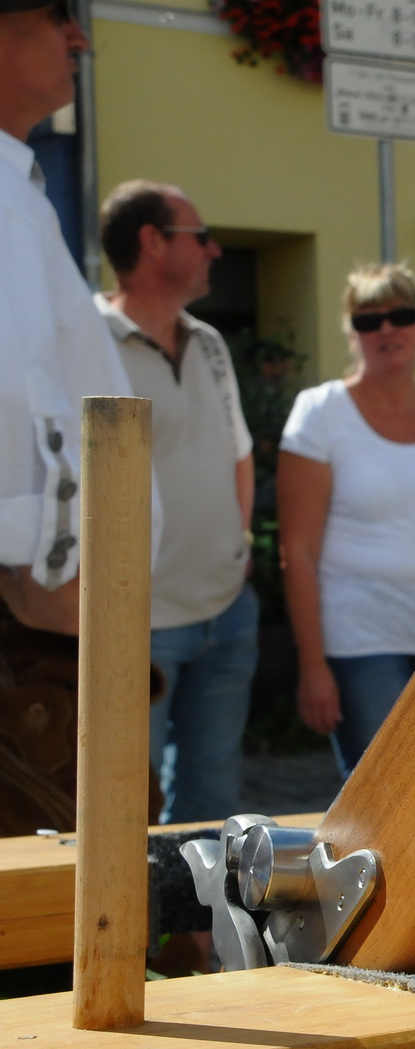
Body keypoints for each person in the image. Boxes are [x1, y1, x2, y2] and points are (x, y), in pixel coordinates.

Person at [0, 0, 154, 836]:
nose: (81, 34)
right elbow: (22, 405)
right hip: (34, 620)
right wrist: (59, 576)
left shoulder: (17, 182)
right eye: (57, 12)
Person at [278, 264, 415, 776]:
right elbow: (297, 551)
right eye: (369, 321)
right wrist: (313, 666)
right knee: (384, 791)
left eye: (401, 315)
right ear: (352, 333)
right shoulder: (320, 411)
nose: (387, 330)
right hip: (361, 641)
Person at [95, 180, 257, 821]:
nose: (216, 250)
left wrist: (239, 550)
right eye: (200, 236)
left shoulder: (210, 342)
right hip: (134, 621)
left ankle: (197, 928)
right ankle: (131, 927)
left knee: (213, 804)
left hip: (226, 610)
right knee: (121, 804)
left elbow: (238, 453)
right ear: (152, 242)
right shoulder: (86, 338)